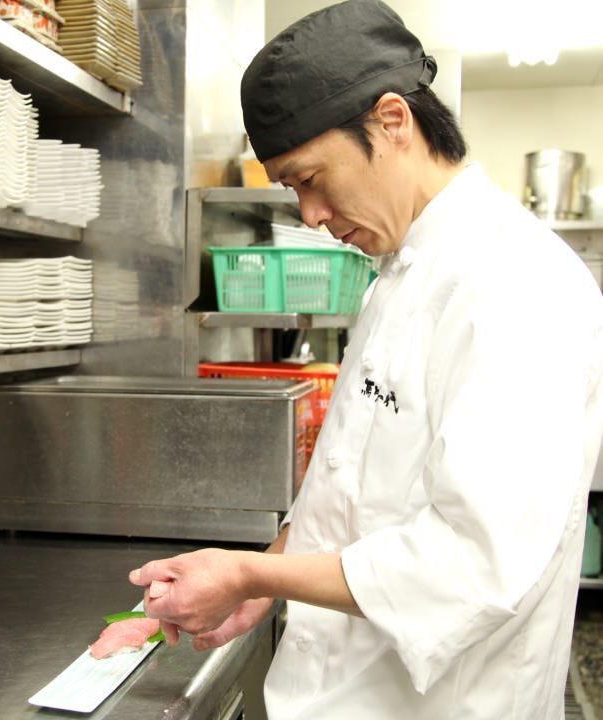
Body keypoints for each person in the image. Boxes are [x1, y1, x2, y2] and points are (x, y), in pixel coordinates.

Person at [128, 1, 603, 718]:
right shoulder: (399, 270)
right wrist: (263, 582)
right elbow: (348, 490)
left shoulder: (520, 284)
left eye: (311, 179)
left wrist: (251, 573)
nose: (311, 215)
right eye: (293, 190)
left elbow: (476, 563)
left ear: (392, 121)